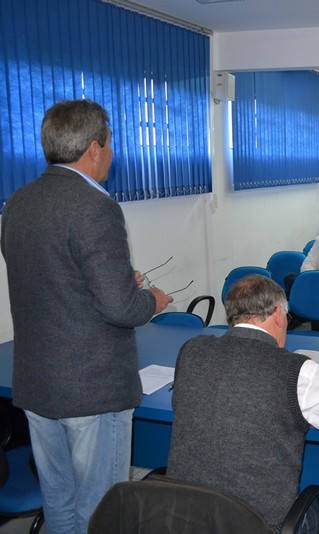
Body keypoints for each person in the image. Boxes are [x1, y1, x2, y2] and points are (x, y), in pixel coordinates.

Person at [0, 99, 172, 534]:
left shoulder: (18, 203)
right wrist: (153, 299)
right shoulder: (97, 208)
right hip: (93, 389)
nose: (112, 153)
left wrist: (114, 278)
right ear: (95, 148)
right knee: (102, 510)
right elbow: (121, 309)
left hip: (38, 384)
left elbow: (51, 279)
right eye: (110, 143)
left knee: (60, 502)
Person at [167, 274, 319, 531]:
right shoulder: (297, 372)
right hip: (257, 525)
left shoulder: (191, 351)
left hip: (182, 518)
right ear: (277, 314)